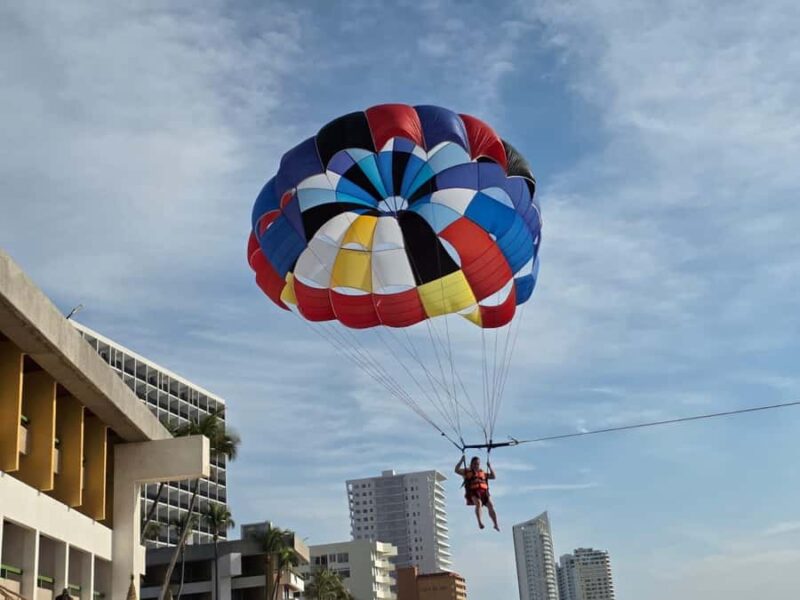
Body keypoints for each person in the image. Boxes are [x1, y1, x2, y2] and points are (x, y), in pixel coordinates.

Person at [455, 454, 499, 530]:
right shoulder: (467, 472)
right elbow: (456, 470)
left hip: (484, 493)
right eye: (475, 464)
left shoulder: (482, 473)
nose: (476, 465)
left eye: (477, 464)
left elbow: (493, 476)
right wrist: (461, 460)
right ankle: (480, 522)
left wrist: (489, 466)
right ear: (471, 464)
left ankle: (495, 524)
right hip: (473, 492)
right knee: (478, 504)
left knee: (491, 506)